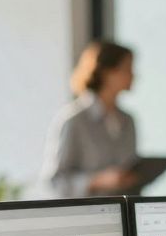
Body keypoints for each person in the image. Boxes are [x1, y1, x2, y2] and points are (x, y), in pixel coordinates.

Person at [40, 41, 139, 197]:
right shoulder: (73, 120)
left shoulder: (128, 121)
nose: (134, 75)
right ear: (106, 72)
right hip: (87, 216)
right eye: (127, 69)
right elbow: (55, 182)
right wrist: (96, 180)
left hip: (123, 214)